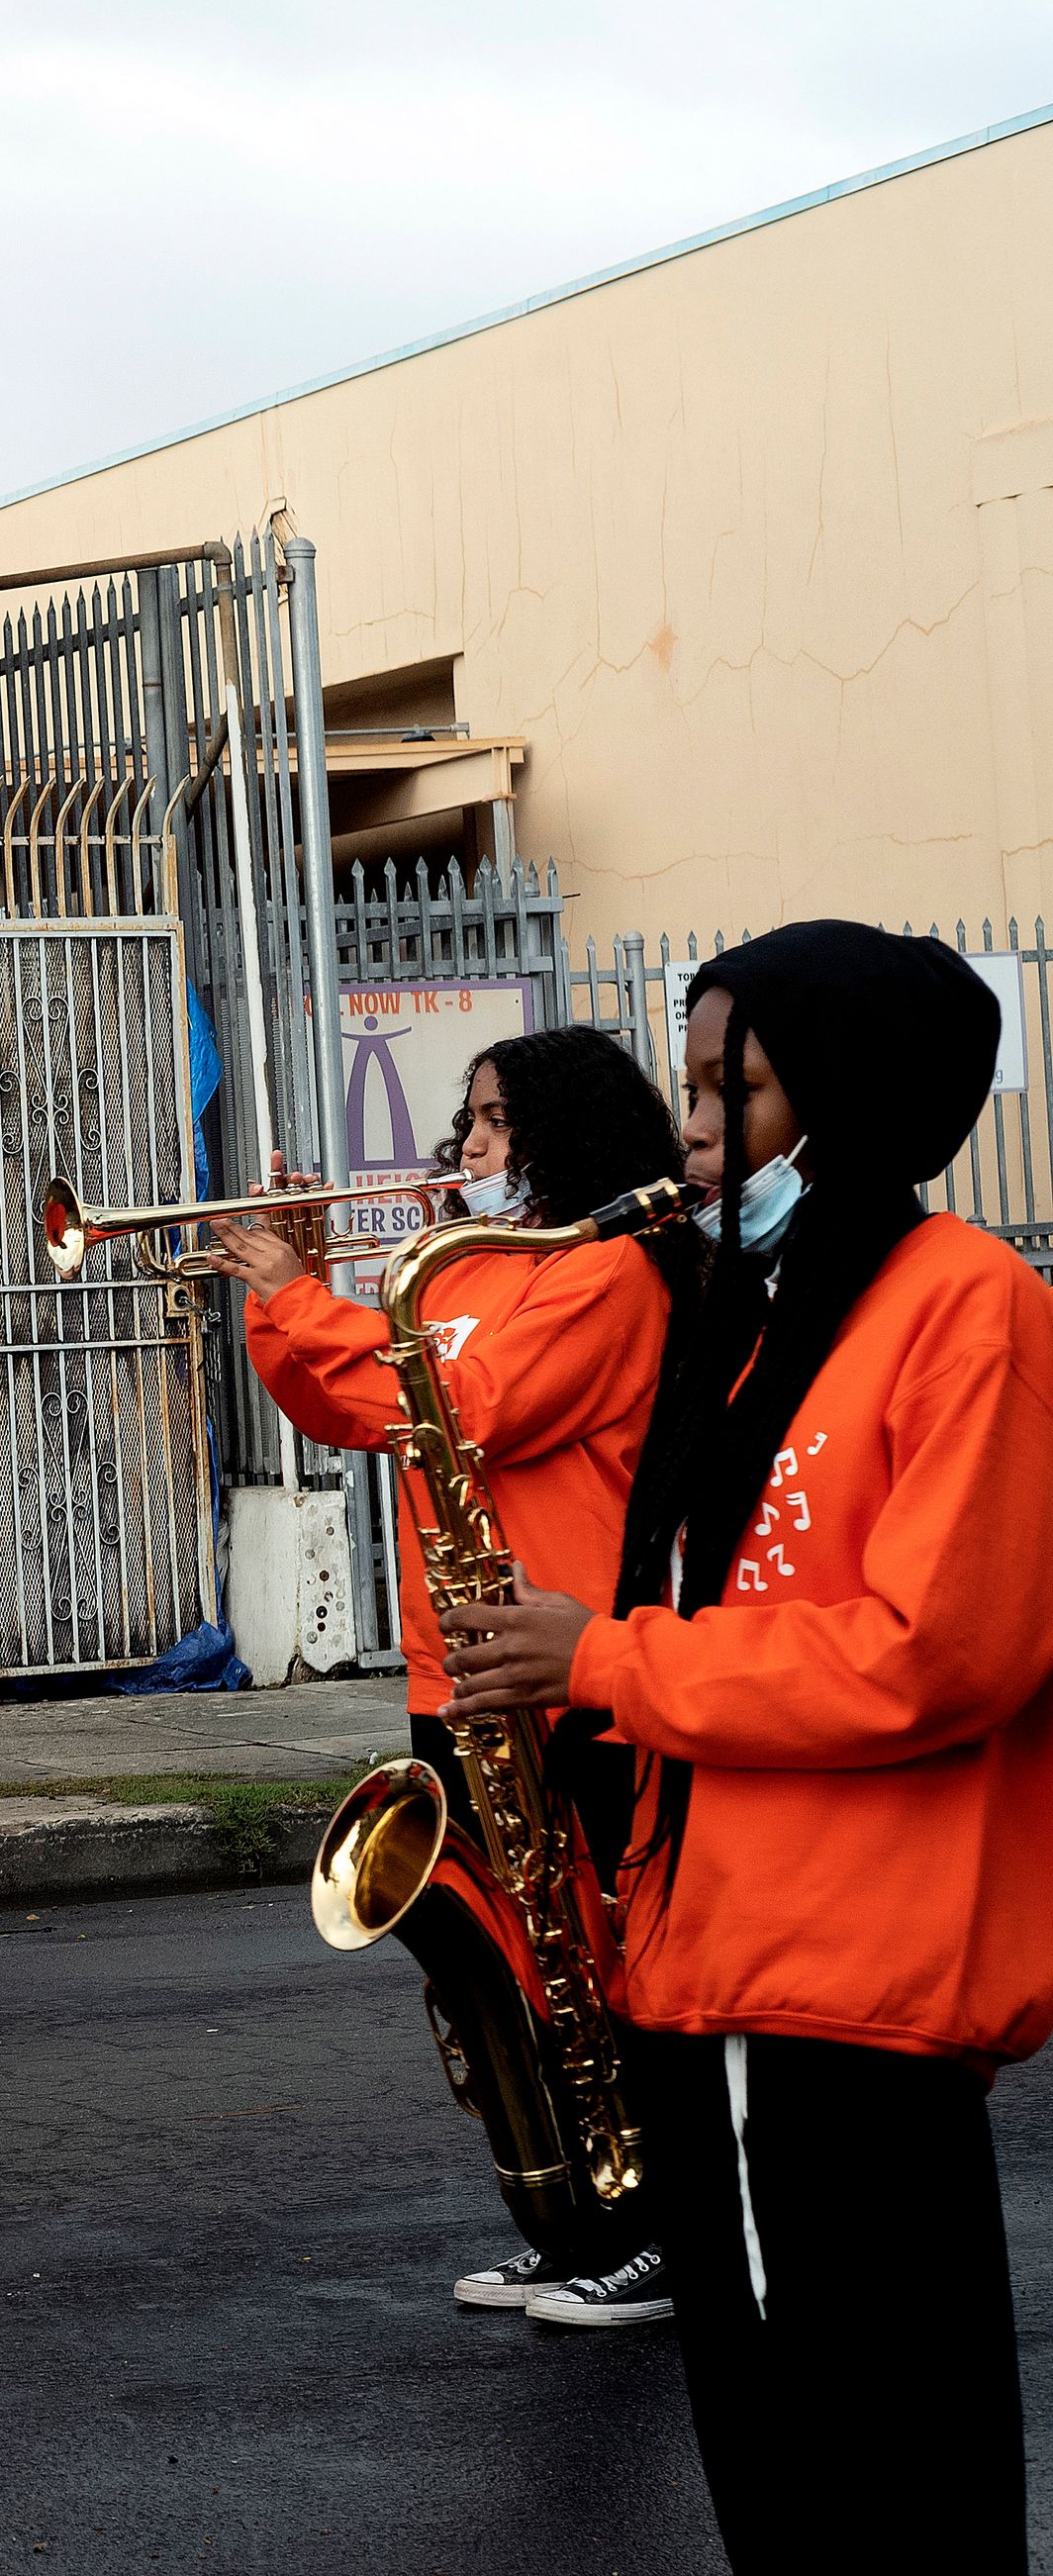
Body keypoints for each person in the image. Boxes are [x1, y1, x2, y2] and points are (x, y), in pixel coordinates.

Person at [444, 922, 1050, 2568]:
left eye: (737, 1084)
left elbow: (937, 1652)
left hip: (850, 1979)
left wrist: (613, 1656)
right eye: (696, 1081)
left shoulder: (963, 1301)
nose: (694, 1124)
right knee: (774, 2459)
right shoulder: (755, 1313)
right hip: (717, 1962)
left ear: (842, 1096)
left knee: (878, 2467)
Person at [198, 1027, 695, 2329]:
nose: (468, 1142)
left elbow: (455, 1398)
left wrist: (310, 1295)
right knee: (515, 1968)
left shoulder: (608, 1268)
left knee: (597, 1952)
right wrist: (278, 1297)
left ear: (565, 1127)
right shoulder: (468, 1263)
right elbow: (343, 1406)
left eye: (494, 1118)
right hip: (460, 1658)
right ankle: (567, 2211)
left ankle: (657, 2224)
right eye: (468, 1117)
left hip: (567, 1654)